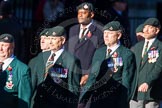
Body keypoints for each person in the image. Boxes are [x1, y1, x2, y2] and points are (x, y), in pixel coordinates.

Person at [79, 21, 136, 108]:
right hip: (97, 98)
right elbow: (92, 77)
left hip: (115, 99)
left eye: (109, 33)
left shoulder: (126, 54)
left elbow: (126, 81)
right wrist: (83, 98)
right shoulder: (99, 52)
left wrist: (123, 103)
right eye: (105, 33)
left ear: (118, 35)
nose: (105, 36)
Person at [29, 26, 81, 108]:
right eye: (49, 39)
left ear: (63, 40)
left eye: (54, 39)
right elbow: (33, 82)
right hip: (38, 103)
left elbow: (73, 90)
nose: (50, 42)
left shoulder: (71, 61)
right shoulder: (42, 56)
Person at [67, 2, 104, 87]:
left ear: (91, 15)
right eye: (79, 13)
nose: (80, 15)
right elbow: (69, 51)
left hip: (88, 75)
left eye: (83, 13)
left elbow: (100, 56)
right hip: (72, 74)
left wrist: (89, 74)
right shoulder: (72, 29)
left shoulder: (99, 31)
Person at [130, 18, 162, 108]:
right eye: (145, 27)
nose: (146, 30)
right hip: (136, 92)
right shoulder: (137, 46)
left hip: (151, 92)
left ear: (157, 30)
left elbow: (158, 68)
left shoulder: (160, 47)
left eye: (150, 27)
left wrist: (147, 82)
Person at [0, 33, 31, 108]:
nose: (0, 49)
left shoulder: (22, 69)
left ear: (12, 46)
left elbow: (24, 100)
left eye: (4, 45)